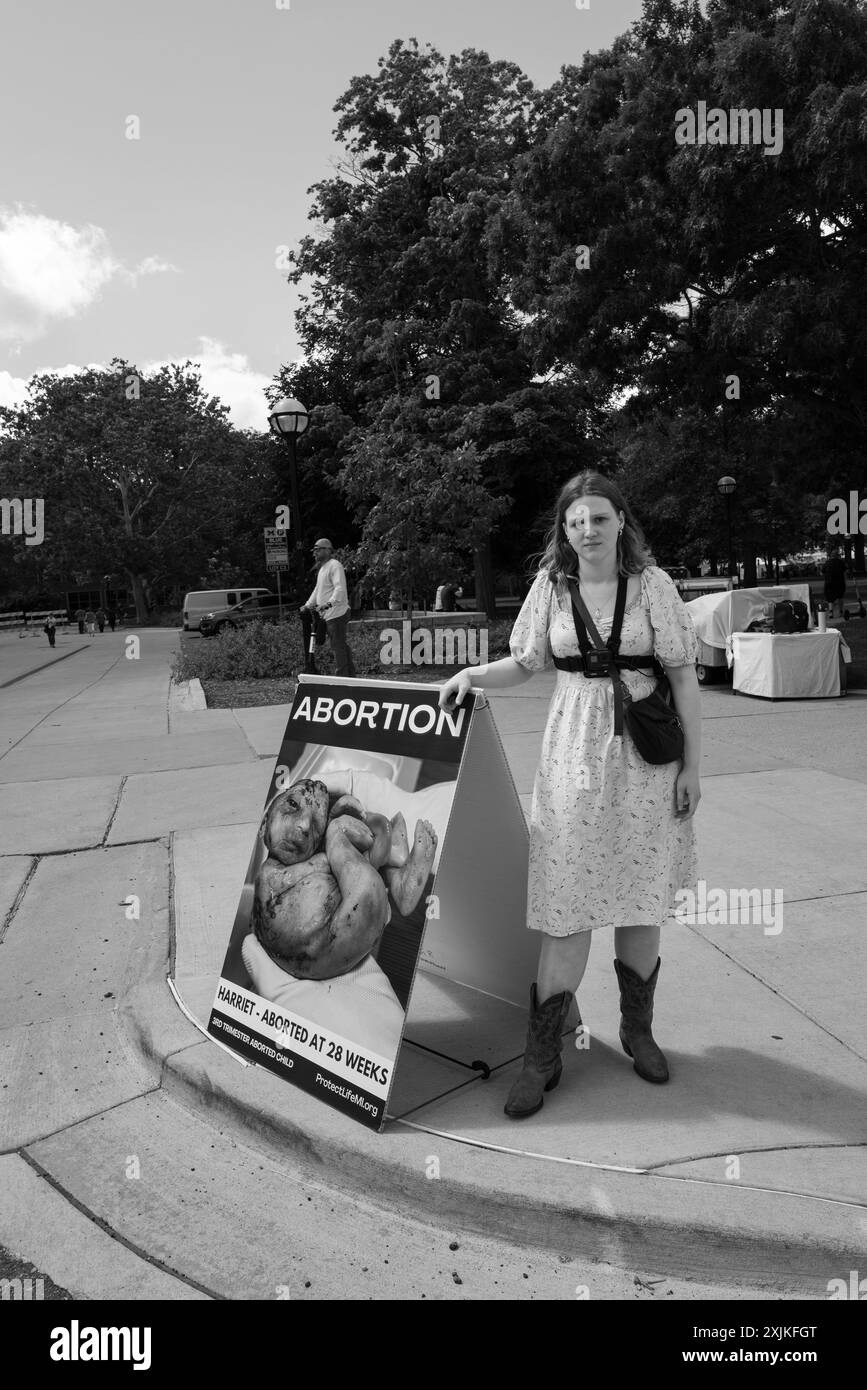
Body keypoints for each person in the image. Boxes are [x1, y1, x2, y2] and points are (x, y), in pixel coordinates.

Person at [439, 470, 702, 1120]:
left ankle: (636, 1032)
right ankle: (542, 1055)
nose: (587, 530)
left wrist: (693, 769)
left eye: (599, 519)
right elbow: (525, 663)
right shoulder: (550, 589)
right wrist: (470, 673)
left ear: (620, 522)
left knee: (640, 906)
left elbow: (683, 678)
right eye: (575, 521)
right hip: (571, 764)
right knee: (566, 912)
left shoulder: (653, 587)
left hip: (644, 764)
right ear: (564, 528)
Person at [300, 539, 355, 677]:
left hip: (336, 613)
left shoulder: (335, 566)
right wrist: (307, 605)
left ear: (327, 550)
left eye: (318, 549)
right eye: (314, 550)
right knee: (340, 645)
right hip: (328, 614)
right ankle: (350, 676)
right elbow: (318, 590)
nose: (315, 553)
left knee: (337, 646)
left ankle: (342, 678)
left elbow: (340, 589)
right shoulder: (323, 568)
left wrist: (328, 604)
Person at [823, 548, 847, 621]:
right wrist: (845, 581)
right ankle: (841, 611)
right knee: (840, 597)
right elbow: (845, 572)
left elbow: (823, 572)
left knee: (830, 599)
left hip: (829, 583)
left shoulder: (827, 563)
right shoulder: (841, 562)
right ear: (837, 556)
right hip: (839, 582)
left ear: (831, 555)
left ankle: (830, 612)